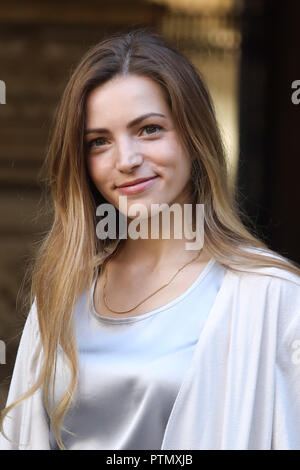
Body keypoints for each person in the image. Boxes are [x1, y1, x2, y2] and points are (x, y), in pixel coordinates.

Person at [1, 27, 300, 451]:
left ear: (194, 137)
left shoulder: (275, 299)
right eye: (99, 141)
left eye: (149, 130)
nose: (126, 160)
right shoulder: (64, 288)